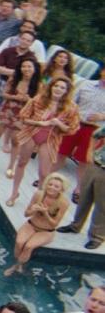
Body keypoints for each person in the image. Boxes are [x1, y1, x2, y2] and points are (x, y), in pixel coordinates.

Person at [7, 77, 80, 205]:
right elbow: (23, 117)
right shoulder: (39, 99)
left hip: (50, 139)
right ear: (51, 86)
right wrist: (40, 123)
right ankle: (14, 193)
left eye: (62, 87)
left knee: (44, 173)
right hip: (32, 133)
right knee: (22, 163)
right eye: (56, 86)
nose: (58, 89)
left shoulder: (71, 107)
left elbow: (73, 129)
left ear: (67, 91)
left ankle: (37, 200)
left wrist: (58, 124)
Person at [55, 73, 105, 214]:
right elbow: (72, 101)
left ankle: (78, 190)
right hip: (76, 123)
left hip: (94, 130)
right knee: (61, 152)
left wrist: (103, 116)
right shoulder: (86, 84)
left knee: (84, 161)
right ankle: (47, 178)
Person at [4, 173, 70, 276]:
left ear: (61, 189)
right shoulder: (39, 195)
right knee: (19, 242)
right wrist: (33, 210)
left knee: (29, 246)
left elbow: (54, 224)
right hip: (31, 224)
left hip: (47, 231)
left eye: (56, 186)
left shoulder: (63, 203)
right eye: (50, 184)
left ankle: (16, 266)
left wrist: (46, 213)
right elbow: (26, 214)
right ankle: (18, 263)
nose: (52, 188)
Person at [0, 58, 39, 170]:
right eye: (24, 66)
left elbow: (39, 103)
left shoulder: (38, 85)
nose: (26, 69)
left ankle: (11, 165)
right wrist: (15, 97)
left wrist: (29, 100)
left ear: (34, 69)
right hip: (7, 111)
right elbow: (4, 94)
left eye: (29, 66)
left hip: (22, 115)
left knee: (15, 141)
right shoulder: (14, 79)